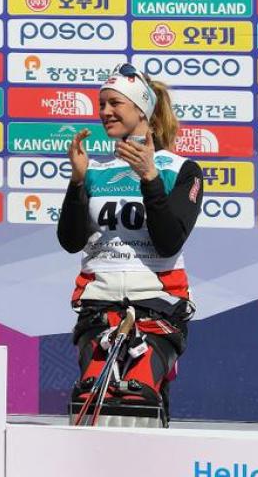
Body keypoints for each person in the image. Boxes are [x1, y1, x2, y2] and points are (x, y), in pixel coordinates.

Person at [57, 63, 203, 424]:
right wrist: (77, 183)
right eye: (101, 104)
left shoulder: (181, 170)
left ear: (141, 109)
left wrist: (150, 179)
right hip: (97, 307)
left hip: (158, 308)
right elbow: (70, 241)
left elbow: (170, 241)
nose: (105, 111)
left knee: (138, 399)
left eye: (114, 104)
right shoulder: (95, 171)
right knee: (92, 396)